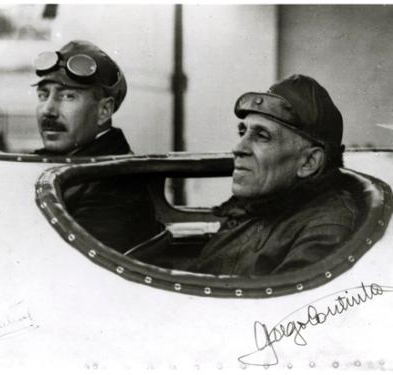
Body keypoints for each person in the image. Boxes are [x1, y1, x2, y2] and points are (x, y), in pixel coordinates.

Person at [189, 74, 358, 276]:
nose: (238, 148)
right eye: (242, 132)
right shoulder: (261, 204)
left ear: (308, 162)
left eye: (261, 136)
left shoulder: (327, 228)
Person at [33, 40, 161, 251]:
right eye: (43, 95)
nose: (48, 110)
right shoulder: (62, 163)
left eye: (67, 96)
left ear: (104, 111)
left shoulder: (118, 186)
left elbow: (61, 264)